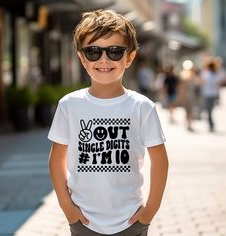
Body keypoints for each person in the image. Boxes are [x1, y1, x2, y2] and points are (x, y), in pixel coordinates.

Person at [48, 9, 168, 236]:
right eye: (93, 51)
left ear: (129, 57)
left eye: (114, 51)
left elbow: (160, 160)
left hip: (131, 220)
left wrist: (149, 211)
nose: (104, 59)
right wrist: (68, 208)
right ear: (82, 57)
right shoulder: (69, 105)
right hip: (84, 221)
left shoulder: (142, 107)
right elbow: (57, 159)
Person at [200, 60, 222, 132]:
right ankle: (211, 124)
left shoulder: (206, 74)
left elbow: (201, 82)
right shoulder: (216, 74)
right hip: (213, 94)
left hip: (207, 94)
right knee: (210, 110)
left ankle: (211, 124)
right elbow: (218, 85)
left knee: (208, 110)